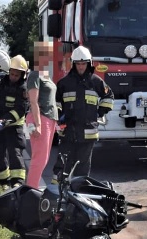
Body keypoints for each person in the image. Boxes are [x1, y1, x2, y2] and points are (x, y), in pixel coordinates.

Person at [51, 45, 114, 181]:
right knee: (62, 166)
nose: (80, 67)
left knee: (82, 169)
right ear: (73, 64)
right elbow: (55, 104)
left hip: (88, 133)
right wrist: (60, 118)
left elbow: (109, 97)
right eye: (78, 64)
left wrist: (99, 113)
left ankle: (79, 196)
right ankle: (56, 196)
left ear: (89, 64)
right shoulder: (64, 83)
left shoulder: (96, 82)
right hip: (67, 132)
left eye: (83, 64)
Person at [0, 55, 28, 189]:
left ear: (22, 75)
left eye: (16, 75)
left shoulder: (23, 89)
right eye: (11, 74)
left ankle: (18, 183)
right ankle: (4, 183)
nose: (13, 77)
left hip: (14, 126)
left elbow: (20, 109)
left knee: (15, 153)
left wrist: (5, 120)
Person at [25, 41, 58, 189]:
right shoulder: (34, 74)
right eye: (43, 54)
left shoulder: (45, 75)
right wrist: (38, 124)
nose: (47, 57)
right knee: (39, 159)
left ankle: (33, 189)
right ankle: (31, 191)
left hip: (49, 119)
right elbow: (33, 101)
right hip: (41, 118)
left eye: (48, 54)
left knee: (43, 159)